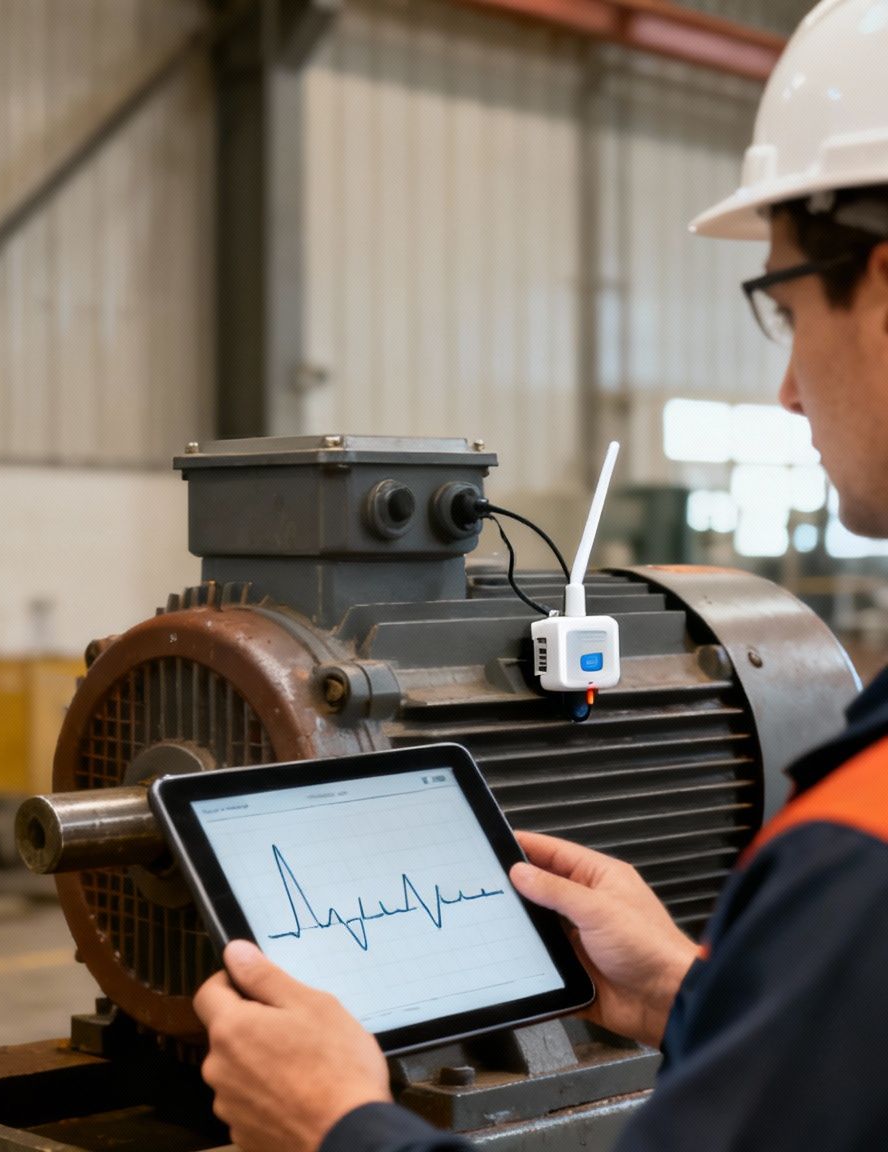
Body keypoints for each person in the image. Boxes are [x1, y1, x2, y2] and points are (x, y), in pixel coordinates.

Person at [191, 1, 888, 1149]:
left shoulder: (858, 858)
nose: (788, 392)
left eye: (783, 303)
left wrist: (334, 1124)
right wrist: (685, 988)